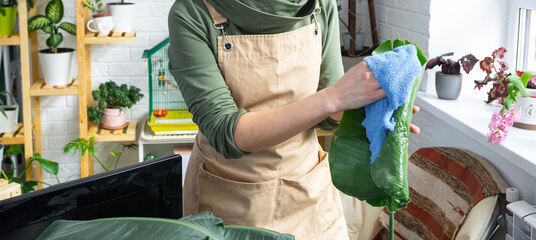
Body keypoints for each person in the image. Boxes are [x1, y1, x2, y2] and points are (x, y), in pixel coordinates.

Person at [168, 0, 419, 238]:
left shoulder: (320, 6)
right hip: (229, 201)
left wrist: (376, 115)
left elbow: (328, 116)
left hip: (309, 196)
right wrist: (335, 97)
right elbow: (228, 133)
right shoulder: (193, 13)